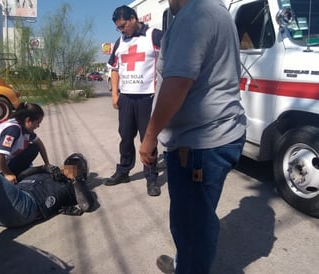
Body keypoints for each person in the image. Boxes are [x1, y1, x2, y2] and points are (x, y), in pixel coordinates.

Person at [139, 0, 247, 273]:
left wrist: (150, 137)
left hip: (199, 144)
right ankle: (184, 263)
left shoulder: (194, 15)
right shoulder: (217, 11)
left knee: (191, 225)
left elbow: (176, 84)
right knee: (197, 218)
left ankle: (188, 266)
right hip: (214, 136)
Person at [106, 5, 163, 197]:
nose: (122, 30)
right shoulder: (120, 41)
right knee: (125, 136)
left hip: (147, 97)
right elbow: (114, 69)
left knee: (148, 138)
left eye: (123, 26)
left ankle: (151, 177)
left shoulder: (153, 36)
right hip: (126, 98)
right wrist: (115, 94)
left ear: (133, 18)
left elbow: (172, 58)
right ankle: (123, 171)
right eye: (118, 28)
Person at [0, 102, 50, 184]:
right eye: (37, 123)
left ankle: (10, 174)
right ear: (28, 120)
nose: (38, 126)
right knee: (6, 181)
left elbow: (39, 144)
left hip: (0, 160)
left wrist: (47, 164)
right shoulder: (13, 130)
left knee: (34, 148)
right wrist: (7, 174)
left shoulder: (23, 126)